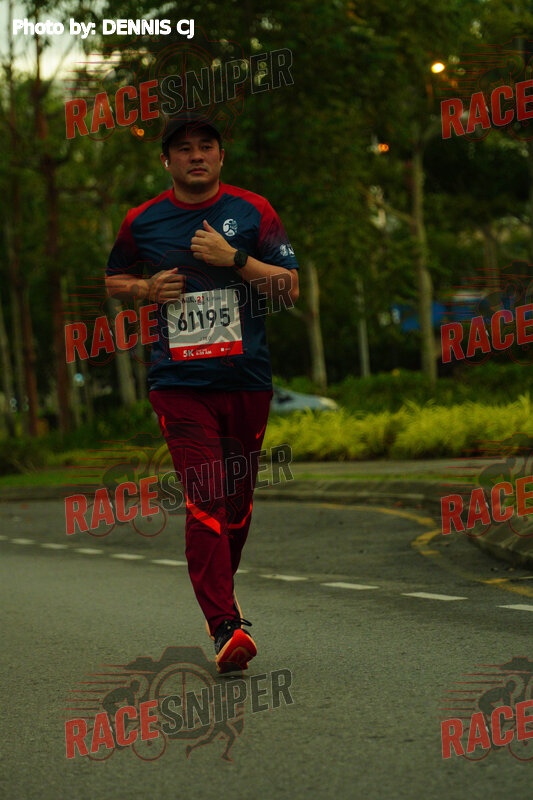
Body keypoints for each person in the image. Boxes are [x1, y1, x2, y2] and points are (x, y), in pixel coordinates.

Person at [105, 111, 299, 673]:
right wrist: (146, 287)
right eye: (184, 148)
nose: (196, 155)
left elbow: (289, 288)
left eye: (206, 146)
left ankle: (222, 601)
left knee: (236, 506)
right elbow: (114, 278)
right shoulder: (142, 220)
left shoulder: (253, 211)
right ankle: (224, 625)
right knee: (205, 496)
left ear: (220, 156)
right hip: (179, 384)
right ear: (166, 160)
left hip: (246, 380)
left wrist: (234, 258)